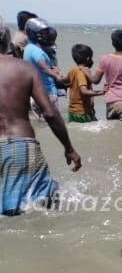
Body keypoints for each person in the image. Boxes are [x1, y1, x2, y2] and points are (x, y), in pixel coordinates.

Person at [0, 55, 82, 216]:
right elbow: (49, 113)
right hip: (20, 146)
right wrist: (68, 148)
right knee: (45, 203)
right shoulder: (24, 68)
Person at [22, 17, 63, 116]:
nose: (45, 35)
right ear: (33, 33)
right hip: (47, 92)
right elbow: (44, 68)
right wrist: (57, 76)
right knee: (51, 122)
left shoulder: (28, 48)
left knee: (40, 122)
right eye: (42, 33)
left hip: (35, 91)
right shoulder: (37, 51)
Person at [66, 44, 104, 123]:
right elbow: (84, 91)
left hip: (73, 111)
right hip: (81, 113)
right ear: (88, 58)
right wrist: (102, 92)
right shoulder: (81, 72)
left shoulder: (72, 70)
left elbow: (64, 81)